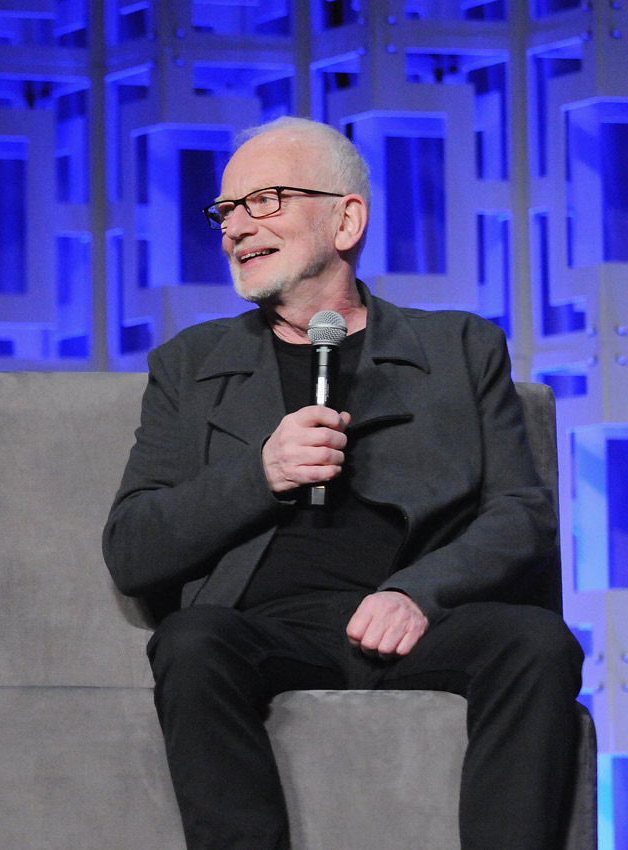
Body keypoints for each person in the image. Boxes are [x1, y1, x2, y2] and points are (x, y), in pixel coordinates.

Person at [102, 117, 583, 850]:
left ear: (347, 218)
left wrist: (419, 593)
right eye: (226, 210)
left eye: (264, 200)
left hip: (414, 623)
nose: (235, 227)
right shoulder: (188, 364)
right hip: (265, 627)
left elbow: (519, 511)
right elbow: (132, 546)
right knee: (190, 642)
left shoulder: (460, 346)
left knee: (538, 642)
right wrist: (260, 475)